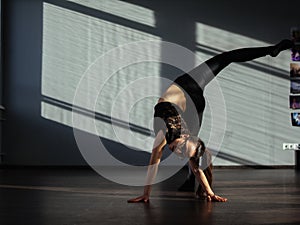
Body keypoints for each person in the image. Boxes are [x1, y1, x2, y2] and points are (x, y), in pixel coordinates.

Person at [127, 39, 293, 203]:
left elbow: (165, 164)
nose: (178, 152)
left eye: (182, 151)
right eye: (182, 151)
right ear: (185, 138)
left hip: (192, 95)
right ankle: (270, 50)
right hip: (191, 89)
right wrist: (146, 195)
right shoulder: (170, 136)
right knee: (226, 58)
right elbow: (159, 165)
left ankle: (271, 50)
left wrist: (210, 192)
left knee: (226, 58)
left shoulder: (169, 137)